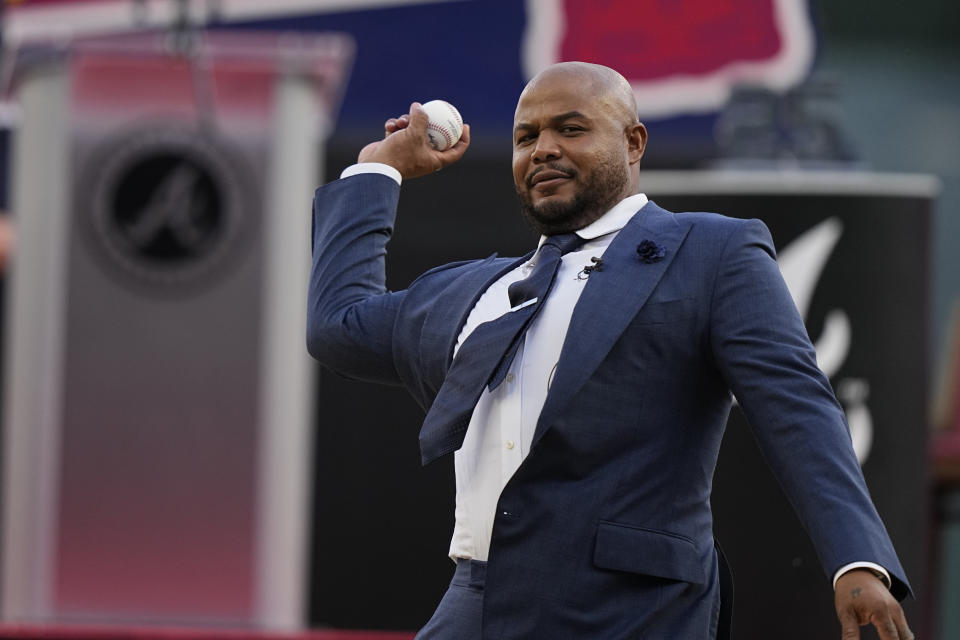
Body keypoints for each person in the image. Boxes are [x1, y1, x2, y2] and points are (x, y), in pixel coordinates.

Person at [307, 62, 913, 639]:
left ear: (634, 143)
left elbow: (797, 406)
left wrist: (857, 559)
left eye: (571, 128)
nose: (543, 148)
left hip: (631, 608)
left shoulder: (709, 252)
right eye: (527, 136)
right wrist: (377, 170)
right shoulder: (477, 291)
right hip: (478, 600)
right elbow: (337, 326)